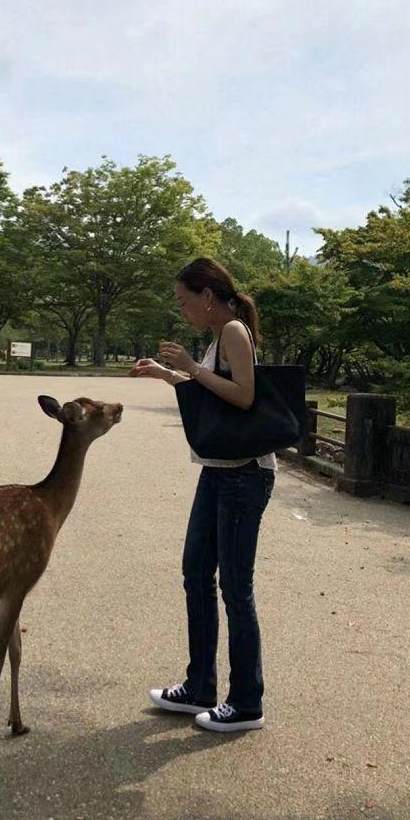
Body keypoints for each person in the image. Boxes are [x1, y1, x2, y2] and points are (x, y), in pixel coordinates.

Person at [130, 256, 276, 732]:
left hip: (244, 474)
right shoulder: (219, 336)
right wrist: (167, 374)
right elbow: (209, 391)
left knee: (236, 587)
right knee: (196, 573)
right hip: (217, 471)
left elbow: (245, 396)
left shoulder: (233, 331)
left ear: (207, 296)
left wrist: (191, 366)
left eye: (184, 300)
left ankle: (247, 703)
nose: (183, 310)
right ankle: (200, 687)